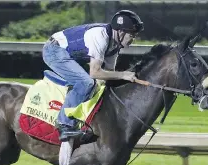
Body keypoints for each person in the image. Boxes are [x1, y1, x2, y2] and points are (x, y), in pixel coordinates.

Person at [42, 10, 144, 142]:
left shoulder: (114, 45)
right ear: (121, 31)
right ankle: (64, 126)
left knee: (99, 85)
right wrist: (123, 74)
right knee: (86, 82)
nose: (133, 40)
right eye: (132, 35)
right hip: (54, 51)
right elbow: (95, 73)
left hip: (67, 54)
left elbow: (107, 74)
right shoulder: (100, 36)